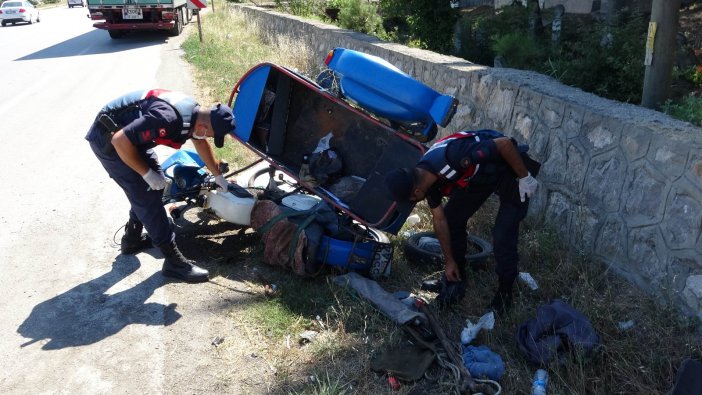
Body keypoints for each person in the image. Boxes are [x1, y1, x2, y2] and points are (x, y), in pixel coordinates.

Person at [85, 89, 236, 283]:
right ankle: (174, 263)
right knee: (145, 194)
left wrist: (218, 175)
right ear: (205, 125)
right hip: (109, 139)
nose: (210, 138)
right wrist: (146, 174)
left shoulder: (195, 114)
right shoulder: (168, 118)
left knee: (156, 187)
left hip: (130, 138)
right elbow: (119, 141)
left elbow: (200, 141)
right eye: (213, 134)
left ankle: (132, 239)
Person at [385, 129, 540, 314]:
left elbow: (504, 144)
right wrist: (449, 262)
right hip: (482, 176)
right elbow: (440, 220)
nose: (411, 203)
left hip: (512, 171)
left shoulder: (454, 156)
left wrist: (525, 178)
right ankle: (456, 282)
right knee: (452, 219)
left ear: (416, 193)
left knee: (502, 235)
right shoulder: (425, 178)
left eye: (410, 200)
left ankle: (504, 293)